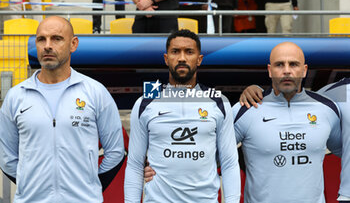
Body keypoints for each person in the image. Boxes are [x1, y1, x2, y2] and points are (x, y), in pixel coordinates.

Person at [0, 16, 125, 202]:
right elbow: (6, 157)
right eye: (41, 39)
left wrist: (89, 185)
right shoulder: (16, 96)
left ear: (73, 44)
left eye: (56, 39)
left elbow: (115, 152)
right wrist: (30, 185)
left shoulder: (95, 92)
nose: (47, 46)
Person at [124, 29, 240, 202]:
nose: (182, 58)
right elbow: (134, 164)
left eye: (189, 52)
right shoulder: (145, 103)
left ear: (199, 59)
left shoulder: (219, 103)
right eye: (175, 52)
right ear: (166, 58)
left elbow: (229, 163)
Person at [234, 42, 342, 203]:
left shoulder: (327, 109)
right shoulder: (246, 109)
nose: (286, 70)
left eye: (293, 64)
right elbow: (212, 156)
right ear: (270, 71)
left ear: (304, 70)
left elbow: (344, 152)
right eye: (279, 65)